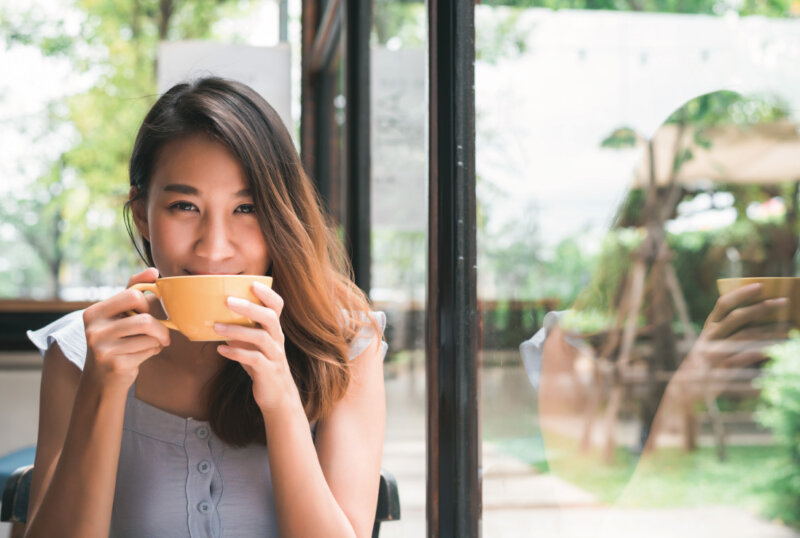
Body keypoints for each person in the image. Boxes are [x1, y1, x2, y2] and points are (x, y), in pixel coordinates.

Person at [23, 77, 387, 537]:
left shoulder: (343, 345)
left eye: (246, 208)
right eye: (184, 206)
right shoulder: (80, 350)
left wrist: (281, 401)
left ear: (280, 215)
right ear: (142, 216)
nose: (214, 249)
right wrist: (104, 389)